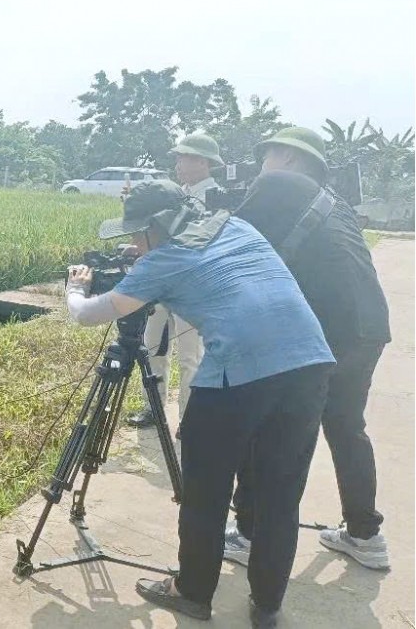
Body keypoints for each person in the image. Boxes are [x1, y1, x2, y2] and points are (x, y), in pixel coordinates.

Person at [65, 182, 335, 627]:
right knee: (280, 495)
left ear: (158, 227)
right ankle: (267, 607)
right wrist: (146, 261)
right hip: (308, 365)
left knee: (206, 490)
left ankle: (192, 591)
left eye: (137, 234)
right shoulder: (239, 227)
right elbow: (215, 268)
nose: (134, 244)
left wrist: (75, 288)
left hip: (238, 374)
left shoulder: (165, 261)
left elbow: (90, 313)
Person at [223, 127, 392, 571]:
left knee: (264, 424)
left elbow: (226, 235)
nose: (261, 169)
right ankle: (364, 534)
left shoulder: (281, 183)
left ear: (289, 158)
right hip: (367, 328)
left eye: (265, 157)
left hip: (322, 331)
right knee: (346, 427)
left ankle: (248, 533)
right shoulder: (335, 203)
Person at [127, 134, 223, 430]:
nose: (178, 164)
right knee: (153, 346)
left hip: (192, 288)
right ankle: (153, 408)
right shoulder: (173, 193)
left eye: (184, 157)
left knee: (190, 355)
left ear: (203, 162)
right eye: (178, 158)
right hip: (161, 283)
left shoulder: (217, 198)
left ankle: (188, 418)